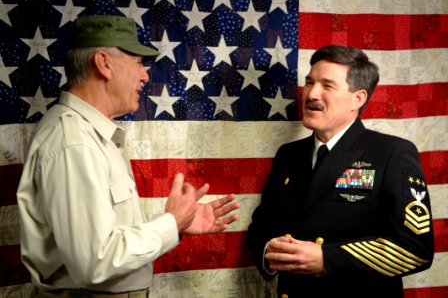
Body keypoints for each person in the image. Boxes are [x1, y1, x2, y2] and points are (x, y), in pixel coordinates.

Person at [17, 15, 240, 297]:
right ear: (104, 63)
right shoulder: (73, 142)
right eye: (137, 62)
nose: (145, 75)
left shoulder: (90, 134)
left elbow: (105, 240)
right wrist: (170, 224)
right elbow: (94, 262)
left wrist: (176, 225)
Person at [247, 45, 434, 297]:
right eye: (309, 81)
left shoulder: (392, 153)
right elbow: (262, 225)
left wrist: (326, 259)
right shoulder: (288, 155)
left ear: (357, 99)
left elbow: (415, 249)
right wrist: (269, 249)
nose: (311, 93)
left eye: (327, 85)